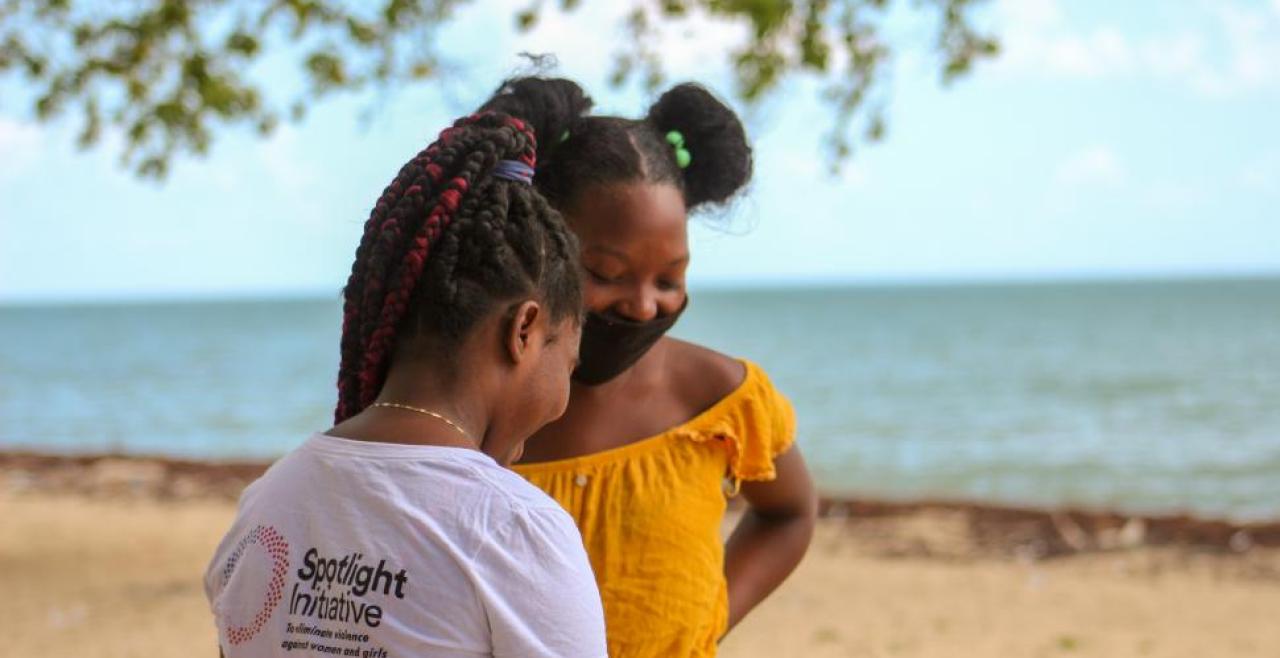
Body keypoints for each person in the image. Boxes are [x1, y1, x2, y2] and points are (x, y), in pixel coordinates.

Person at [204, 112, 607, 657]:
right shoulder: (513, 530)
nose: (562, 401)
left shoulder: (267, 502)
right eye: (569, 362)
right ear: (525, 331)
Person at [480, 77, 819, 657]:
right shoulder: (479, 406)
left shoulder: (719, 400)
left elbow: (789, 514)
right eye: (606, 274)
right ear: (539, 247)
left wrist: (708, 618)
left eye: (669, 279)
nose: (643, 305)